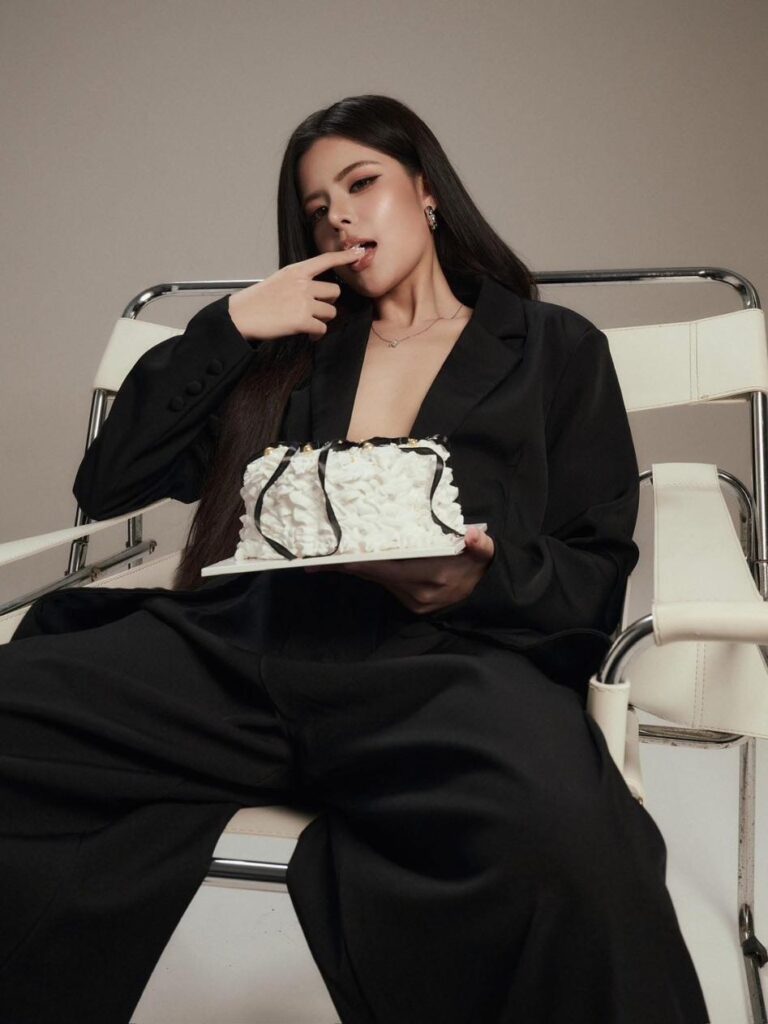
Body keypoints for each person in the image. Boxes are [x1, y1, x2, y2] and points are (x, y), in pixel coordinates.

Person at [0, 94, 710, 1023]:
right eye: (316, 207)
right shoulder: (289, 352)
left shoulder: (555, 349)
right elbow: (110, 482)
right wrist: (231, 324)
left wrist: (478, 580)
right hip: (244, 655)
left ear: (426, 190)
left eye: (361, 182)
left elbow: (593, 571)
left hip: (440, 672)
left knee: (575, 842)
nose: (338, 214)